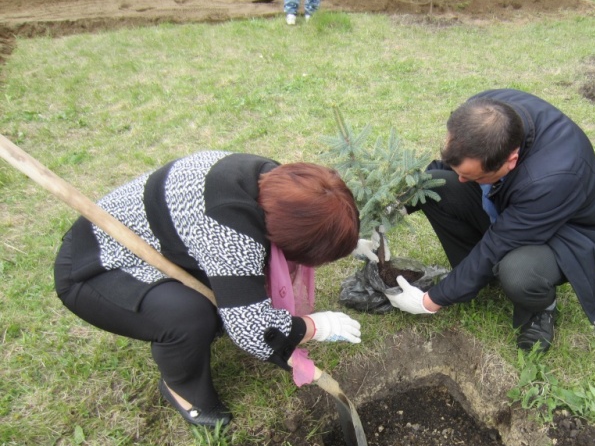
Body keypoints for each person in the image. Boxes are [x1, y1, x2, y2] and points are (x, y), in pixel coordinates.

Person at [54, 151, 363, 428]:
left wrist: (338, 236)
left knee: (231, 296)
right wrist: (315, 326)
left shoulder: (277, 184)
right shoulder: (230, 231)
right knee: (191, 316)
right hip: (100, 266)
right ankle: (182, 388)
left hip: (163, 249)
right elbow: (251, 331)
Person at [388, 89, 595, 354]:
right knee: (437, 186)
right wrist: (395, 209)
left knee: (517, 271)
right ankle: (476, 278)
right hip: (516, 205)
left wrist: (429, 301)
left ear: (511, 161)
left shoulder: (552, 178)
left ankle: (540, 308)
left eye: (472, 176)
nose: (462, 180)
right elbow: (444, 170)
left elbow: (498, 244)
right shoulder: (484, 111)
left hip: (568, 234)